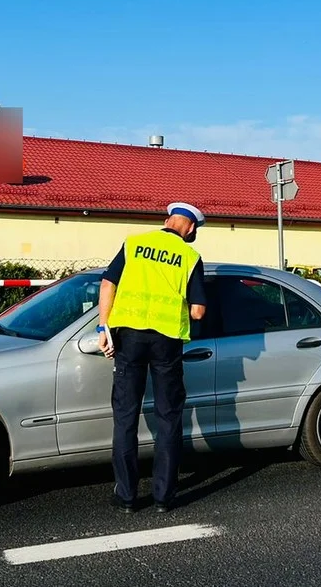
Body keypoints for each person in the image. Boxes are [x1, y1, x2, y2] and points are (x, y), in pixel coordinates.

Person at [97, 202, 208, 514]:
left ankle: (127, 496)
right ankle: (163, 497)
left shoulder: (134, 243)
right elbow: (198, 311)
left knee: (125, 416)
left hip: (128, 339)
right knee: (169, 417)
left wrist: (103, 327)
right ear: (190, 228)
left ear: (167, 220)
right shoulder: (189, 257)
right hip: (167, 342)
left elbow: (108, 284)